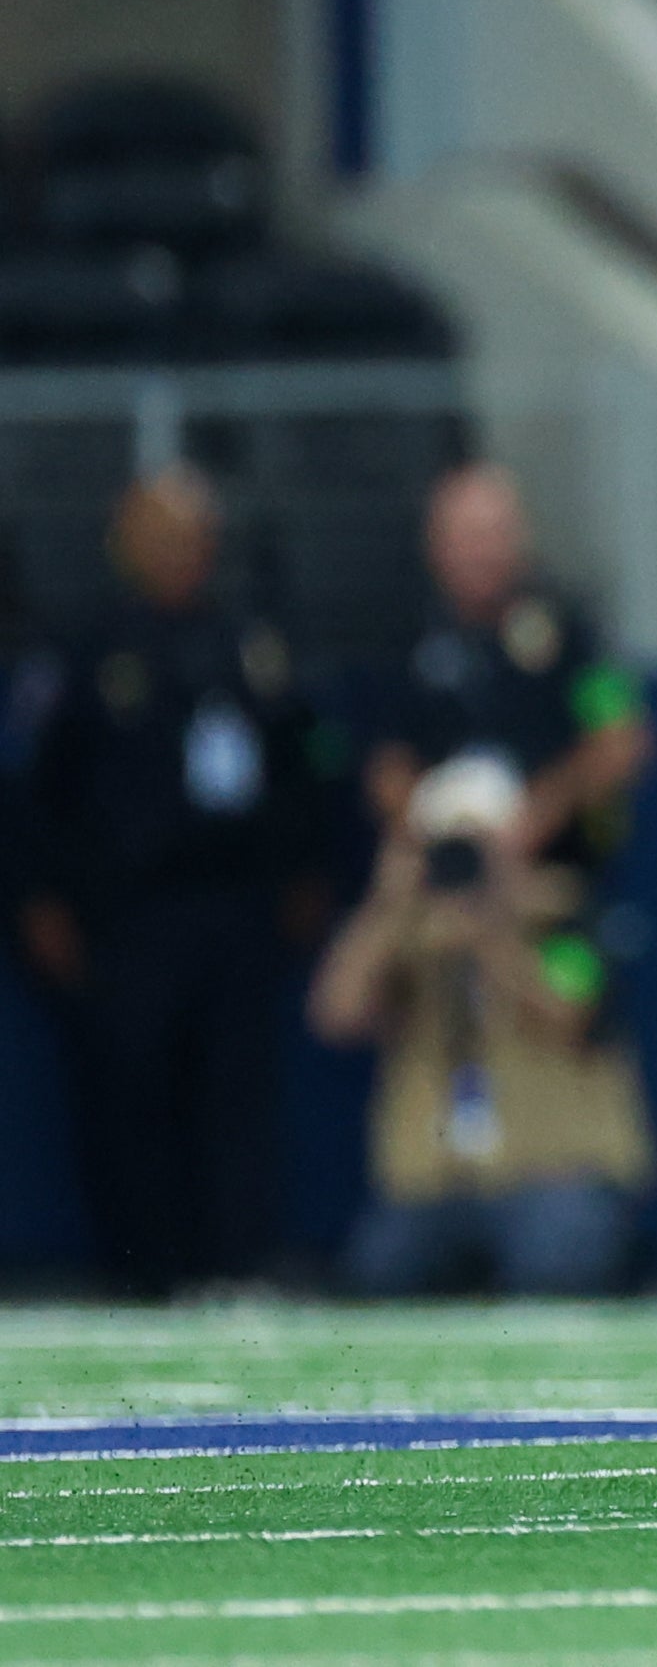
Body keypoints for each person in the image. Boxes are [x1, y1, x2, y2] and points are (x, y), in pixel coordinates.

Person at [13, 470, 332, 1298]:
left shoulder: (250, 645)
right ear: (125, 544)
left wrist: (303, 874)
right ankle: (143, 1273)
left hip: (233, 908)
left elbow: (306, 768)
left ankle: (238, 1268)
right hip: (131, 918)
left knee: (237, 1097)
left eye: (192, 538)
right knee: (132, 1098)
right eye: (160, 537)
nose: (178, 555)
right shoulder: (87, 651)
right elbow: (38, 794)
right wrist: (41, 903)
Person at [309, 754, 657, 1295]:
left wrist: (493, 934)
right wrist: (387, 904)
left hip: (552, 1172)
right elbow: (336, 1015)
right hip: (438, 1183)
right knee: (378, 1272)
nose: (466, 857)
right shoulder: (414, 932)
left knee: (556, 1261)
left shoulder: (565, 916)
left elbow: (570, 1015)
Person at [372, 465, 655, 880]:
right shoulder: (406, 640)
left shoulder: (571, 630)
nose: (481, 552)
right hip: (439, 872)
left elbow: (622, 739)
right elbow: (387, 764)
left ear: (521, 537)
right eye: (467, 536)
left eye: (494, 534)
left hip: (551, 877)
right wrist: (431, 823)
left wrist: (539, 813)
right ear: (435, 543)